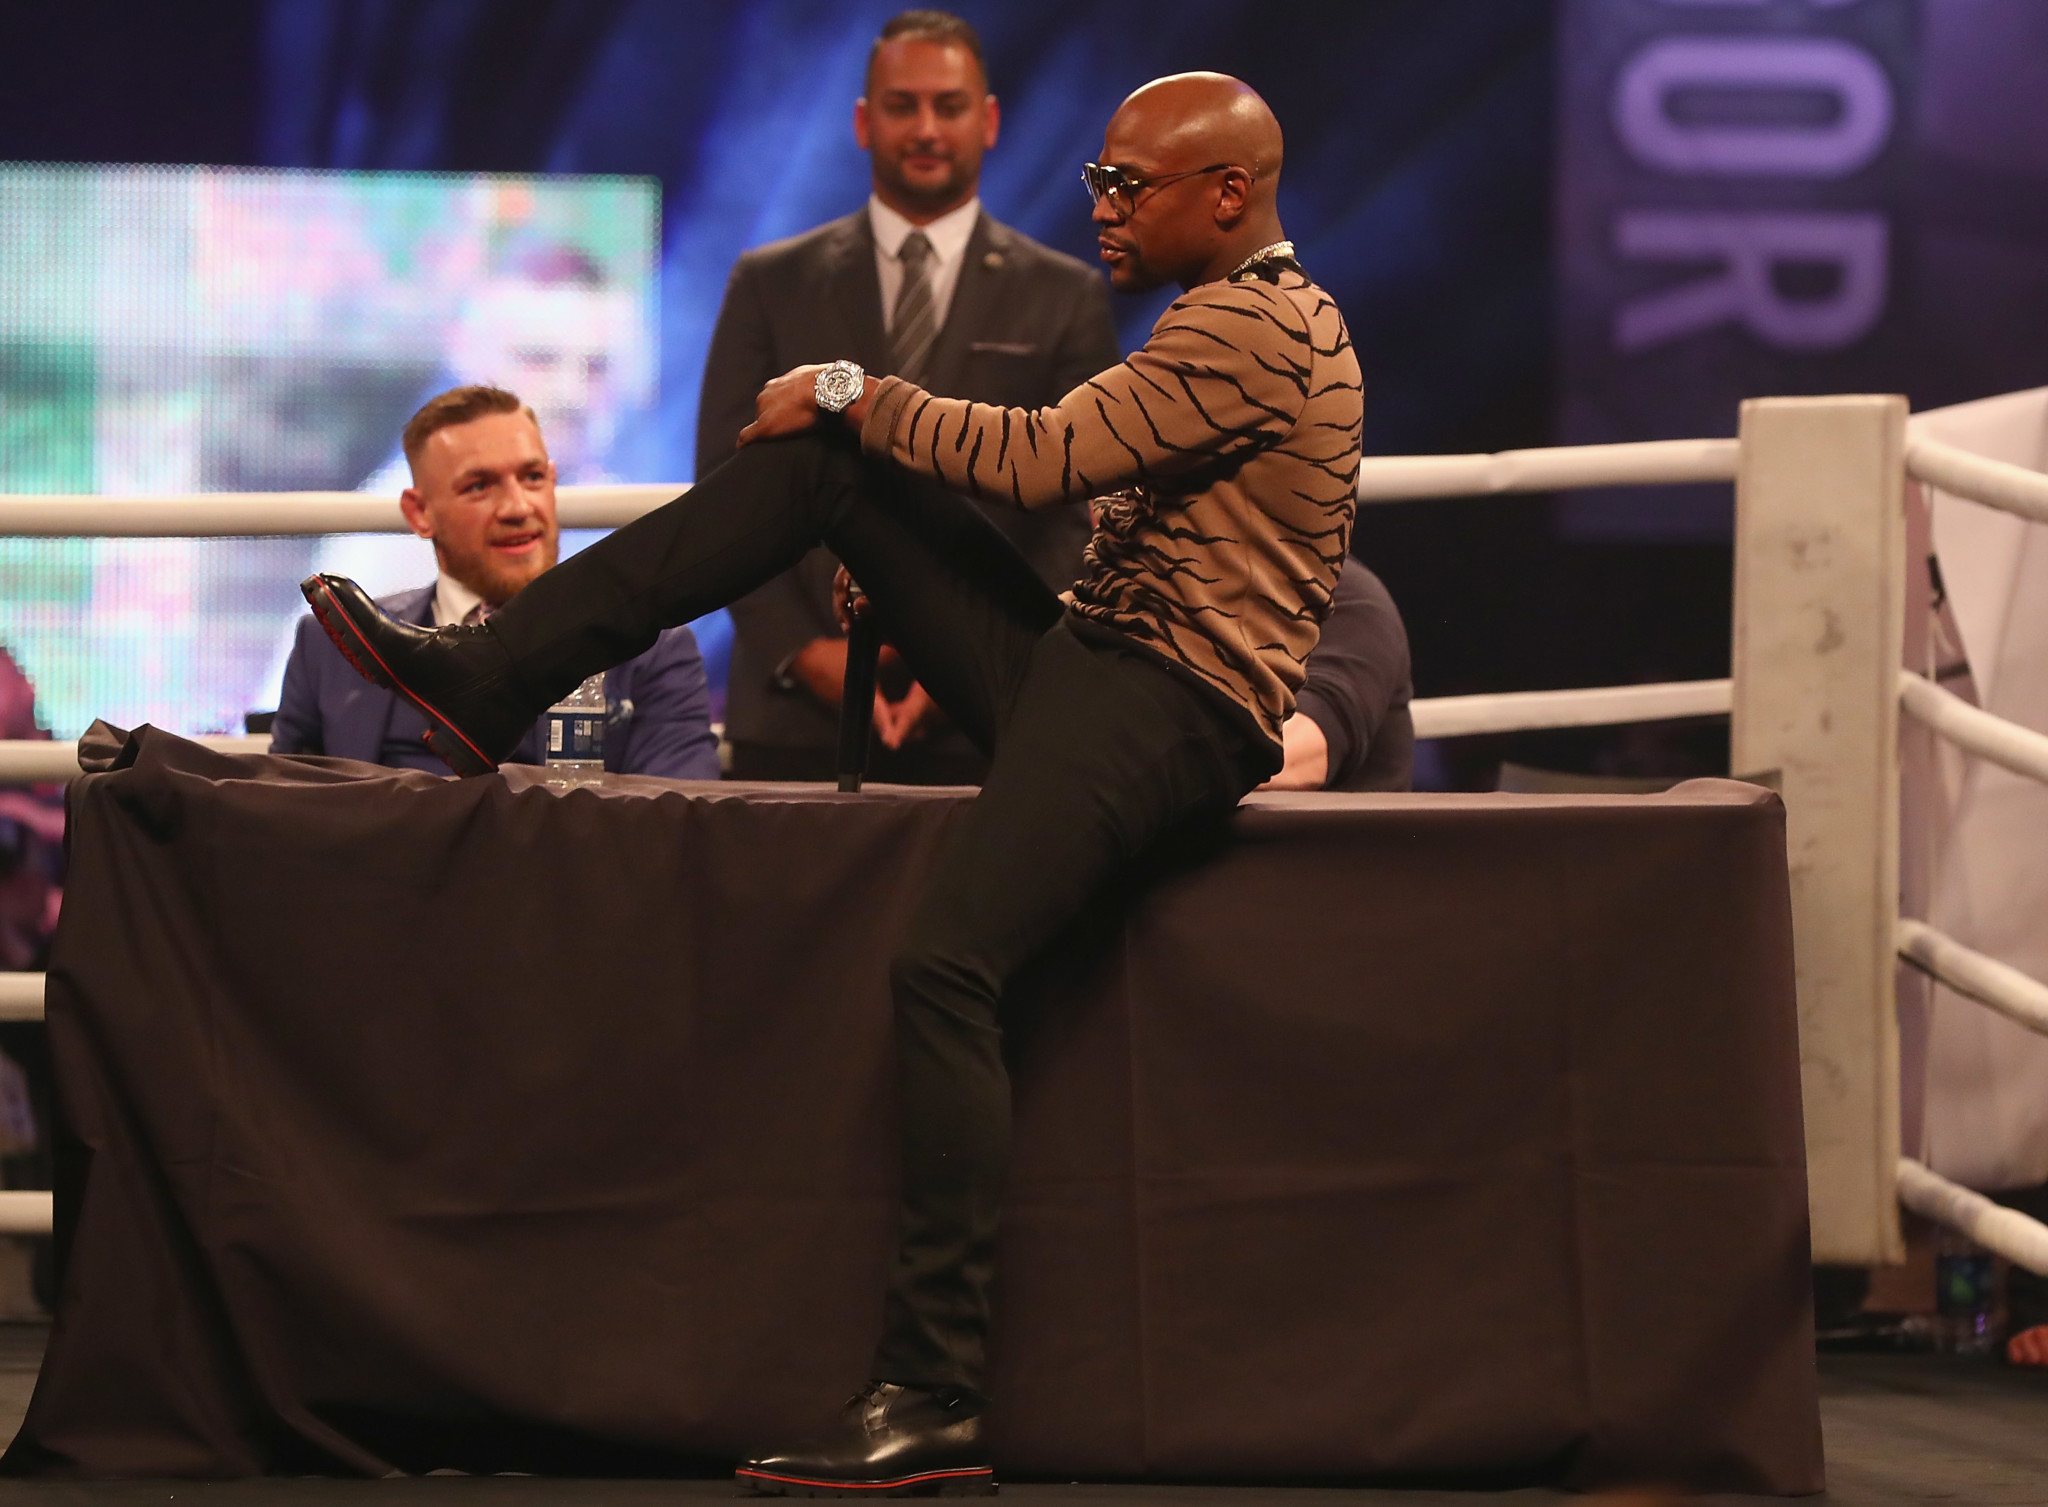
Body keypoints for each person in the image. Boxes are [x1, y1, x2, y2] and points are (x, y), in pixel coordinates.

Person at [300, 73, 1360, 1495]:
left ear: (1226, 195)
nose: (1098, 208)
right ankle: (493, 679)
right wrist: (871, 466)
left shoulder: (1255, 320)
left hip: (1172, 707)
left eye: (1128, 186)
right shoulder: (1229, 310)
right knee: (825, 475)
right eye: (1097, 181)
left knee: (947, 968)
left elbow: (1045, 459)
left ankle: (933, 1390)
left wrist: (858, 384)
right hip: (1103, 666)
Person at [701, 9, 1119, 785]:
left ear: (988, 121)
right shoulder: (769, 283)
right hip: (793, 720)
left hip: (991, 712)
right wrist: (804, 653)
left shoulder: (1067, 297)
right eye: (902, 105)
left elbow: (1076, 514)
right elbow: (724, 480)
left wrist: (968, 653)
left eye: (949, 105)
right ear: (864, 122)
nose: (926, 127)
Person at [275, 386, 718, 778]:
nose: (518, 507)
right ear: (419, 513)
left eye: (532, 478)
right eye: (479, 486)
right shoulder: (328, 643)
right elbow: (286, 821)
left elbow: (678, 822)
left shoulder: (653, 648)